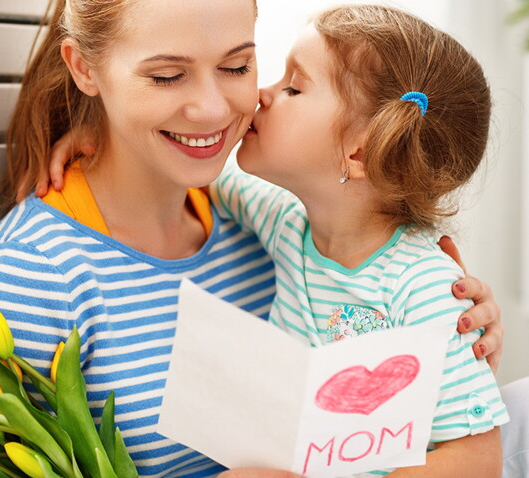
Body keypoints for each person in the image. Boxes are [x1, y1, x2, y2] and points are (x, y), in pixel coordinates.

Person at [0, 1, 503, 476]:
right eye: (165, 75)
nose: (216, 109)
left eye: (237, 67)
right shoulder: (34, 276)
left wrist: (451, 321)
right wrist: (101, 128)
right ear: (85, 68)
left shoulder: (267, 218)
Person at [207, 5, 508, 476]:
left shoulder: (426, 286)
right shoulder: (284, 220)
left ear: (360, 152)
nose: (261, 95)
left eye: (293, 86)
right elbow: (190, 172)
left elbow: (477, 461)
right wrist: (90, 139)